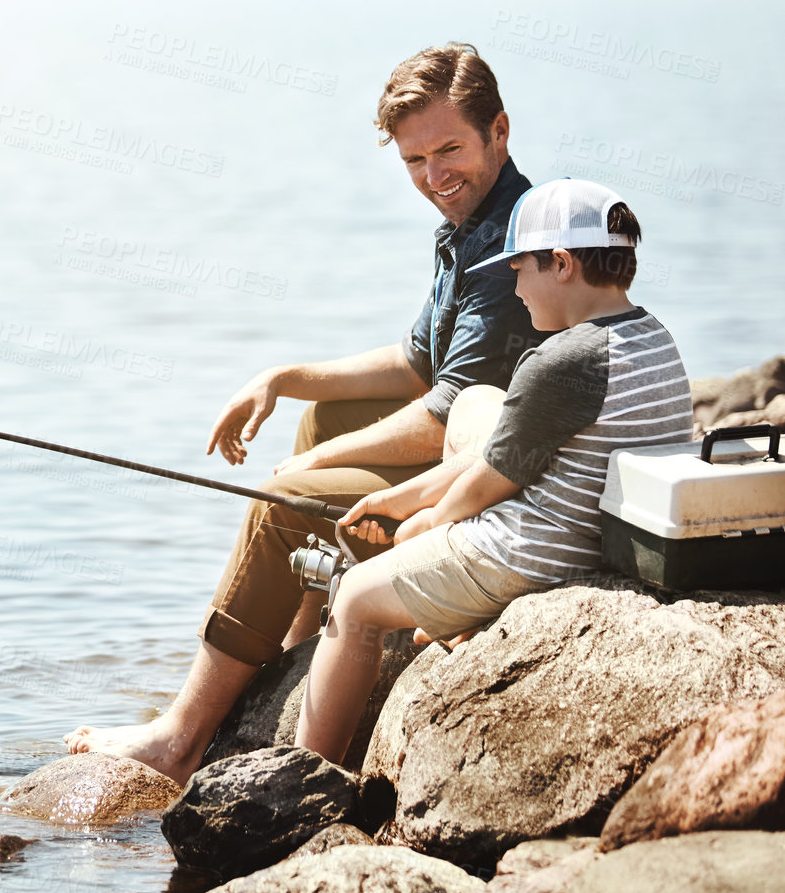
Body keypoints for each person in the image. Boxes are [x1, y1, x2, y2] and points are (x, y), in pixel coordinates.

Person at [64, 43, 546, 783]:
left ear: (500, 131)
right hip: (475, 450)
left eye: (449, 149)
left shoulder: (510, 248)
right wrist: (285, 378)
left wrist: (308, 471)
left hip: (498, 489)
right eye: (415, 161)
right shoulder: (476, 218)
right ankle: (293, 649)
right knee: (323, 418)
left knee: (284, 497)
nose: (433, 176)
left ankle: (181, 737)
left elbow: (442, 411)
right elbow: (420, 361)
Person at [291, 178, 692, 764]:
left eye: (520, 267)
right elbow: (499, 451)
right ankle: (446, 613)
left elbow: (486, 485)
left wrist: (421, 524)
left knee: (353, 597)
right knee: (476, 401)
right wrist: (398, 498)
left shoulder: (562, 360)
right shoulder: (653, 334)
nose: (514, 283)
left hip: (538, 552)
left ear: (560, 264)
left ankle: (307, 773)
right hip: (592, 525)